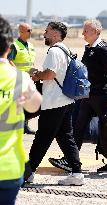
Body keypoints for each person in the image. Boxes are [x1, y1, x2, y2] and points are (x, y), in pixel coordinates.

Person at [49, 19, 107, 174]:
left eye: (86, 31)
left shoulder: (103, 49)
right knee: (78, 127)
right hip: (88, 95)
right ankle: (71, 160)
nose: (82, 33)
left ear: (95, 32)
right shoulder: (89, 48)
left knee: (105, 129)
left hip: (101, 95)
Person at [25, 21, 84, 186]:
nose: (44, 34)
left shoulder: (54, 51)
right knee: (66, 138)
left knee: (42, 138)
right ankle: (77, 173)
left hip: (54, 103)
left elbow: (50, 74)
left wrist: (37, 75)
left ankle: (27, 174)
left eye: (47, 31)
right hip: (66, 100)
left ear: (56, 34)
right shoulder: (65, 50)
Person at [0, 16, 42, 205]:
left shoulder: (30, 46)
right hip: (9, 168)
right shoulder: (19, 79)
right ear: (8, 46)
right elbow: (35, 106)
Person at [8, 22, 37, 135]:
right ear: (21, 32)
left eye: (31, 30)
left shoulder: (30, 46)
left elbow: (29, 63)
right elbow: (9, 60)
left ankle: (24, 126)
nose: (31, 33)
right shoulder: (14, 46)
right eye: (28, 30)